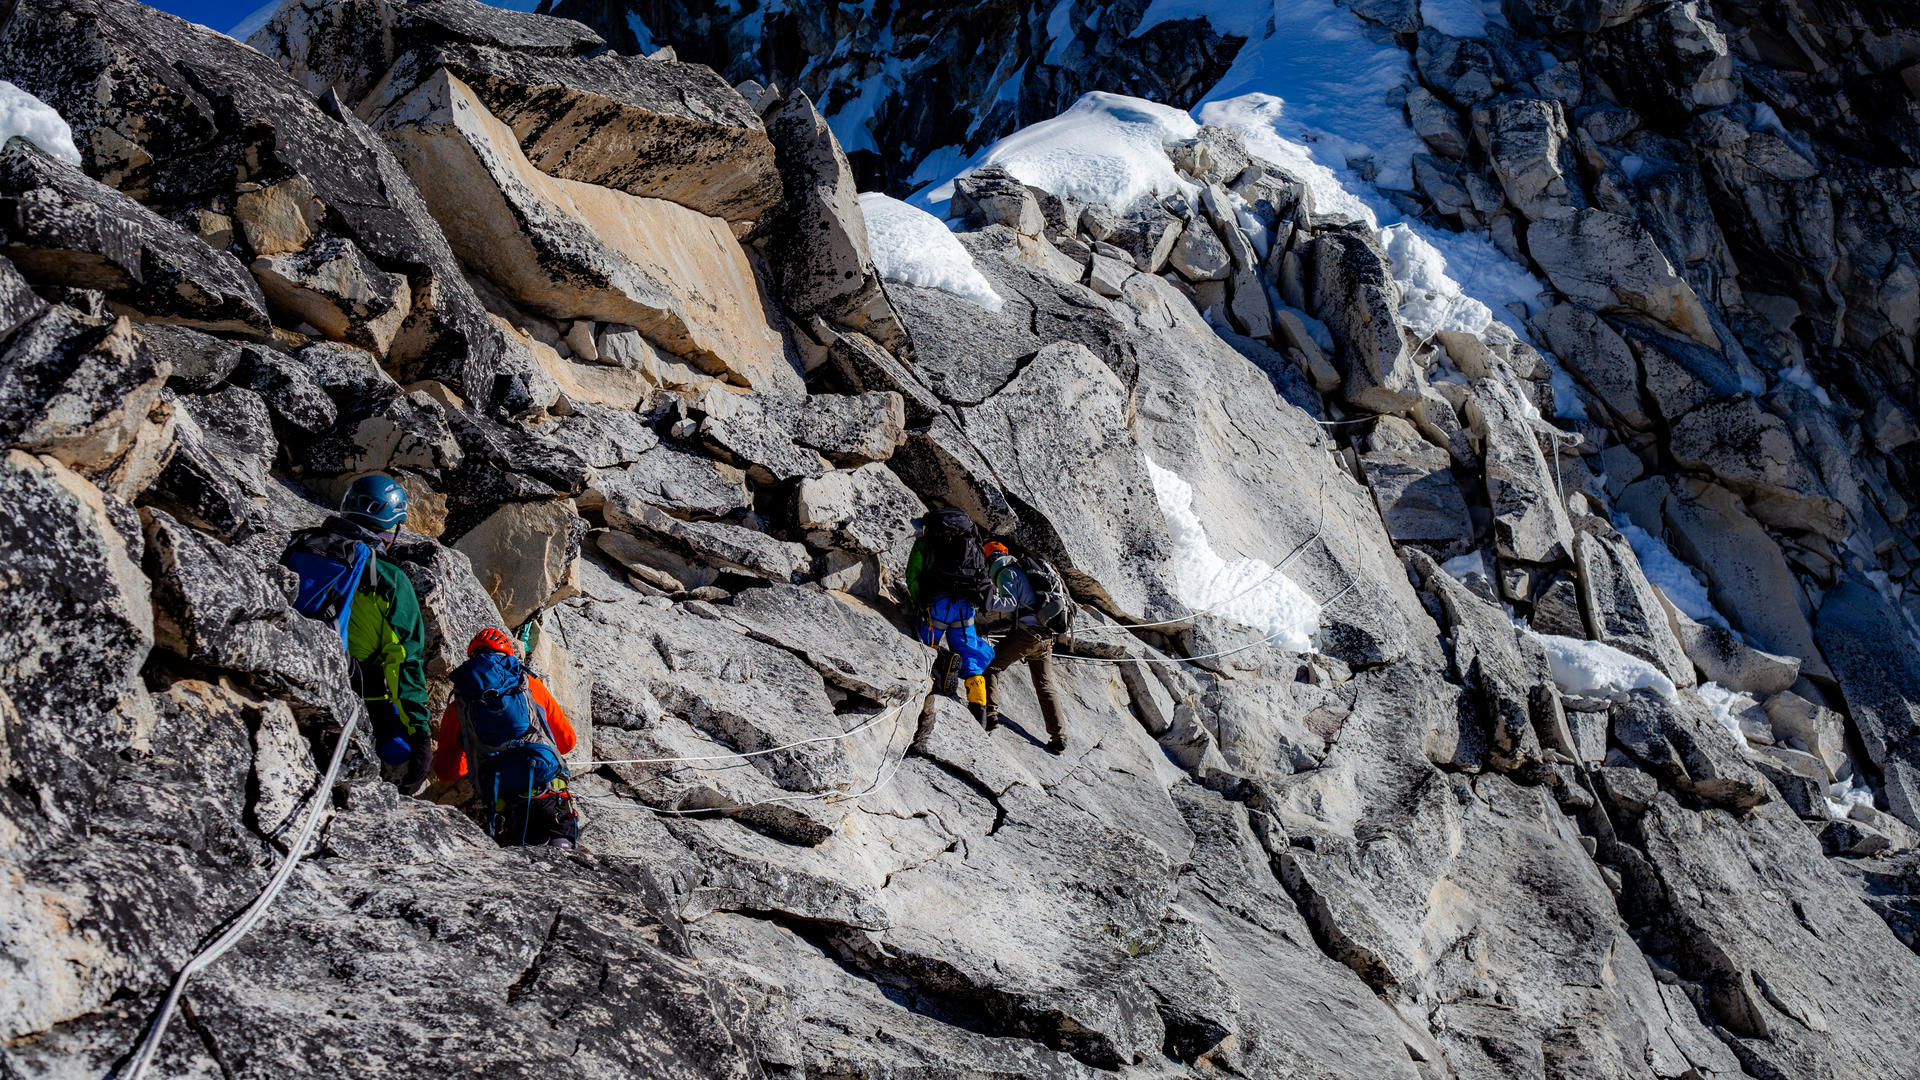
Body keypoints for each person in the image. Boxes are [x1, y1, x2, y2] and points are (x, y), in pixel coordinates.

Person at [283, 473, 433, 791]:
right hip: (354, 692)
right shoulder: (389, 578)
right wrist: (420, 733)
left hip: (284, 662)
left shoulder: (301, 544)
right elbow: (403, 659)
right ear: (392, 526)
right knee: (399, 752)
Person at [433, 628, 580, 849]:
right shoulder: (530, 685)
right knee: (562, 869)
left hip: (507, 810)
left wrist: (481, 755)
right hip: (549, 798)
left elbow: (447, 772)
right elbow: (568, 741)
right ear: (508, 656)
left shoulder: (460, 704)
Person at [980, 541, 1074, 754]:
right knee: (1044, 684)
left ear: (989, 559)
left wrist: (984, 599)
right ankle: (1059, 737)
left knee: (992, 666)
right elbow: (1018, 614)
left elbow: (1009, 604)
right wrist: (989, 626)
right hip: (1046, 636)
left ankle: (990, 713)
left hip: (1028, 635)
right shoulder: (1027, 571)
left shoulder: (1006, 572)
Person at [904, 507, 995, 726]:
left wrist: (918, 601)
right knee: (971, 655)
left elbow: (913, 575)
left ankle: (944, 661)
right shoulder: (972, 545)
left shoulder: (926, 544)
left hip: (937, 605)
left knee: (926, 644)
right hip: (965, 609)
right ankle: (979, 714)